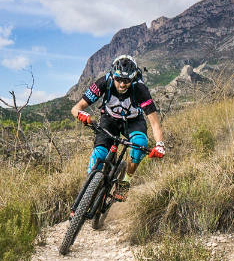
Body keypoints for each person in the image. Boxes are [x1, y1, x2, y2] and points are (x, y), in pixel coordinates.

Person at [70, 54, 165, 201]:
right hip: (109, 120)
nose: (122, 84)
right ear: (113, 75)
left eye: (126, 81)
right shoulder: (104, 82)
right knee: (99, 155)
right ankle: (89, 194)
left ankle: (125, 181)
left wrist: (160, 145)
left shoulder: (140, 89)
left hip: (133, 122)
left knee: (140, 144)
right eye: (118, 79)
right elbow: (76, 108)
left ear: (133, 79)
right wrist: (81, 114)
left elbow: (155, 123)